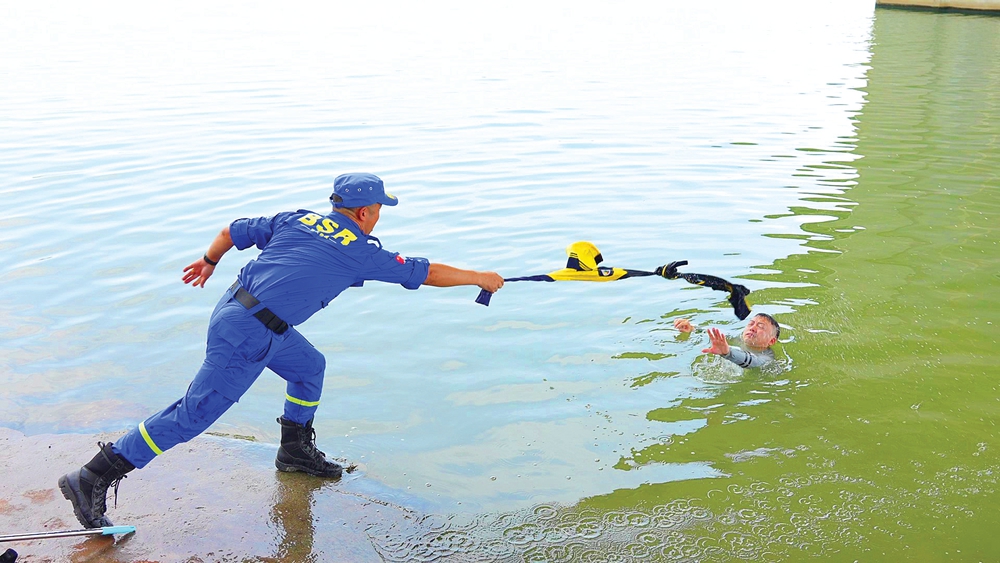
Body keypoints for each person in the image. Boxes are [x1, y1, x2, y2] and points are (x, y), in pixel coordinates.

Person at [57, 173, 504, 529]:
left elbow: (230, 231)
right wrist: (479, 277)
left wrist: (209, 262)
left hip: (242, 311)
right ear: (365, 212)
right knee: (193, 414)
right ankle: (93, 475)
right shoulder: (361, 250)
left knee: (309, 367)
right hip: (249, 333)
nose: (378, 218)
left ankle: (295, 452)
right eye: (379, 210)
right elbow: (427, 273)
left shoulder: (298, 218)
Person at [673, 313, 779, 368]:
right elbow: (714, 335)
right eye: (750, 324)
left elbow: (754, 362)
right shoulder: (736, 339)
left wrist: (728, 353)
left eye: (760, 326)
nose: (752, 328)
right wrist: (692, 329)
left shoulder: (767, 358)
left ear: (771, 341)